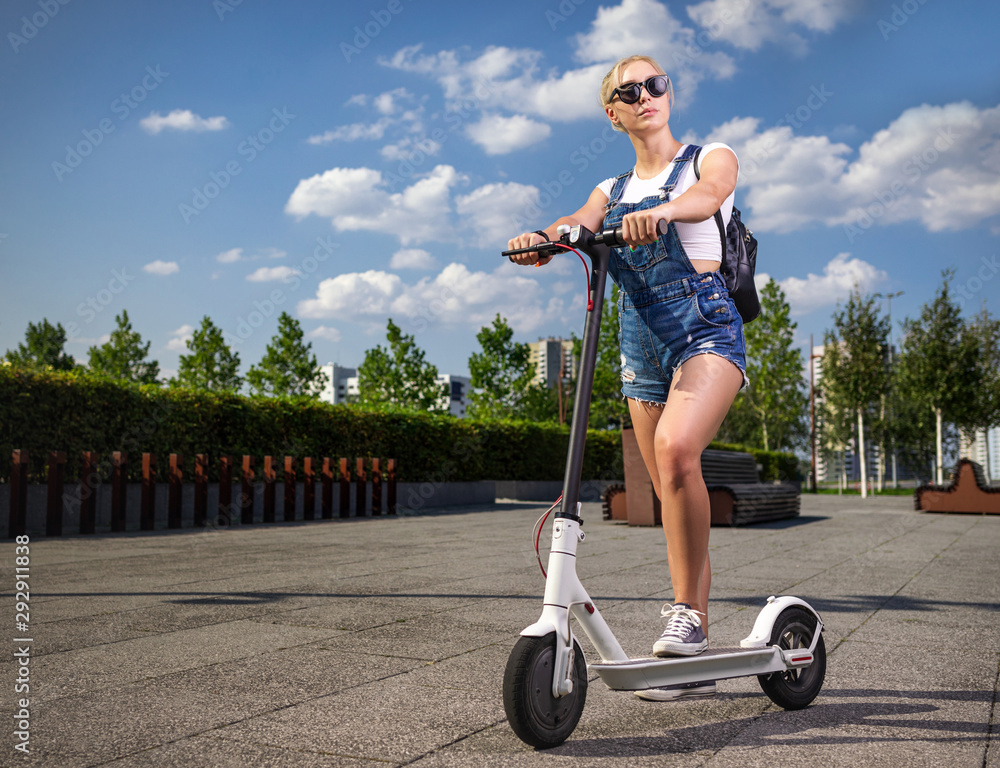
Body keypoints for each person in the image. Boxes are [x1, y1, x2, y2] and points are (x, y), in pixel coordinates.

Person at [507, 54, 746, 702]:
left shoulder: (704, 159)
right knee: (667, 485)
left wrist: (665, 213)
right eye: (629, 91)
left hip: (705, 331)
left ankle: (690, 620)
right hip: (640, 348)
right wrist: (546, 237)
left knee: (675, 451)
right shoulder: (611, 189)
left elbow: (711, 195)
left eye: (655, 83)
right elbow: (580, 222)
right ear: (612, 112)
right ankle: (686, 616)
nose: (646, 95)